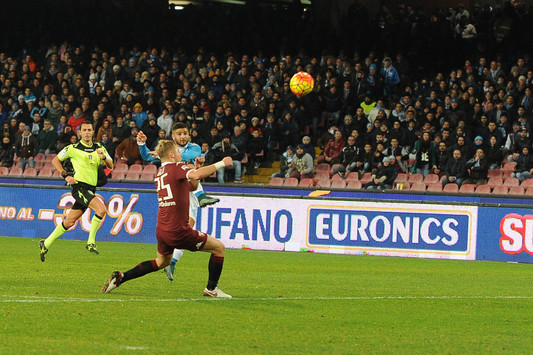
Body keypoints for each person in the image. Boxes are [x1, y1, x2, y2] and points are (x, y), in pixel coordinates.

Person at [102, 140, 233, 298]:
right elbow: (196, 176)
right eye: (178, 151)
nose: (180, 154)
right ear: (171, 154)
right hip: (178, 230)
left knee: (161, 262)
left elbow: (191, 186)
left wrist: (196, 168)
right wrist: (222, 163)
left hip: (163, 230)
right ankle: (211, 290)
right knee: (219, 248)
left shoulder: (160, 173)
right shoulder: (176, 167)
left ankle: (122, 277)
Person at [39, 121, 114, 261]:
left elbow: (111, 165)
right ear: (79, 132)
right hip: (79, 187)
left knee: (69, 221)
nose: (86, 132)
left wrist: (103, 158)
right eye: (84, 130)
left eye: (89, 130)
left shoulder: (99, 147)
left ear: (93, 132)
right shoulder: (72, 148)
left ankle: (46, 243)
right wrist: (65, 175)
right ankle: (91, 242)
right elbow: (55, 160)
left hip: (90, 189)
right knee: (101, 209)